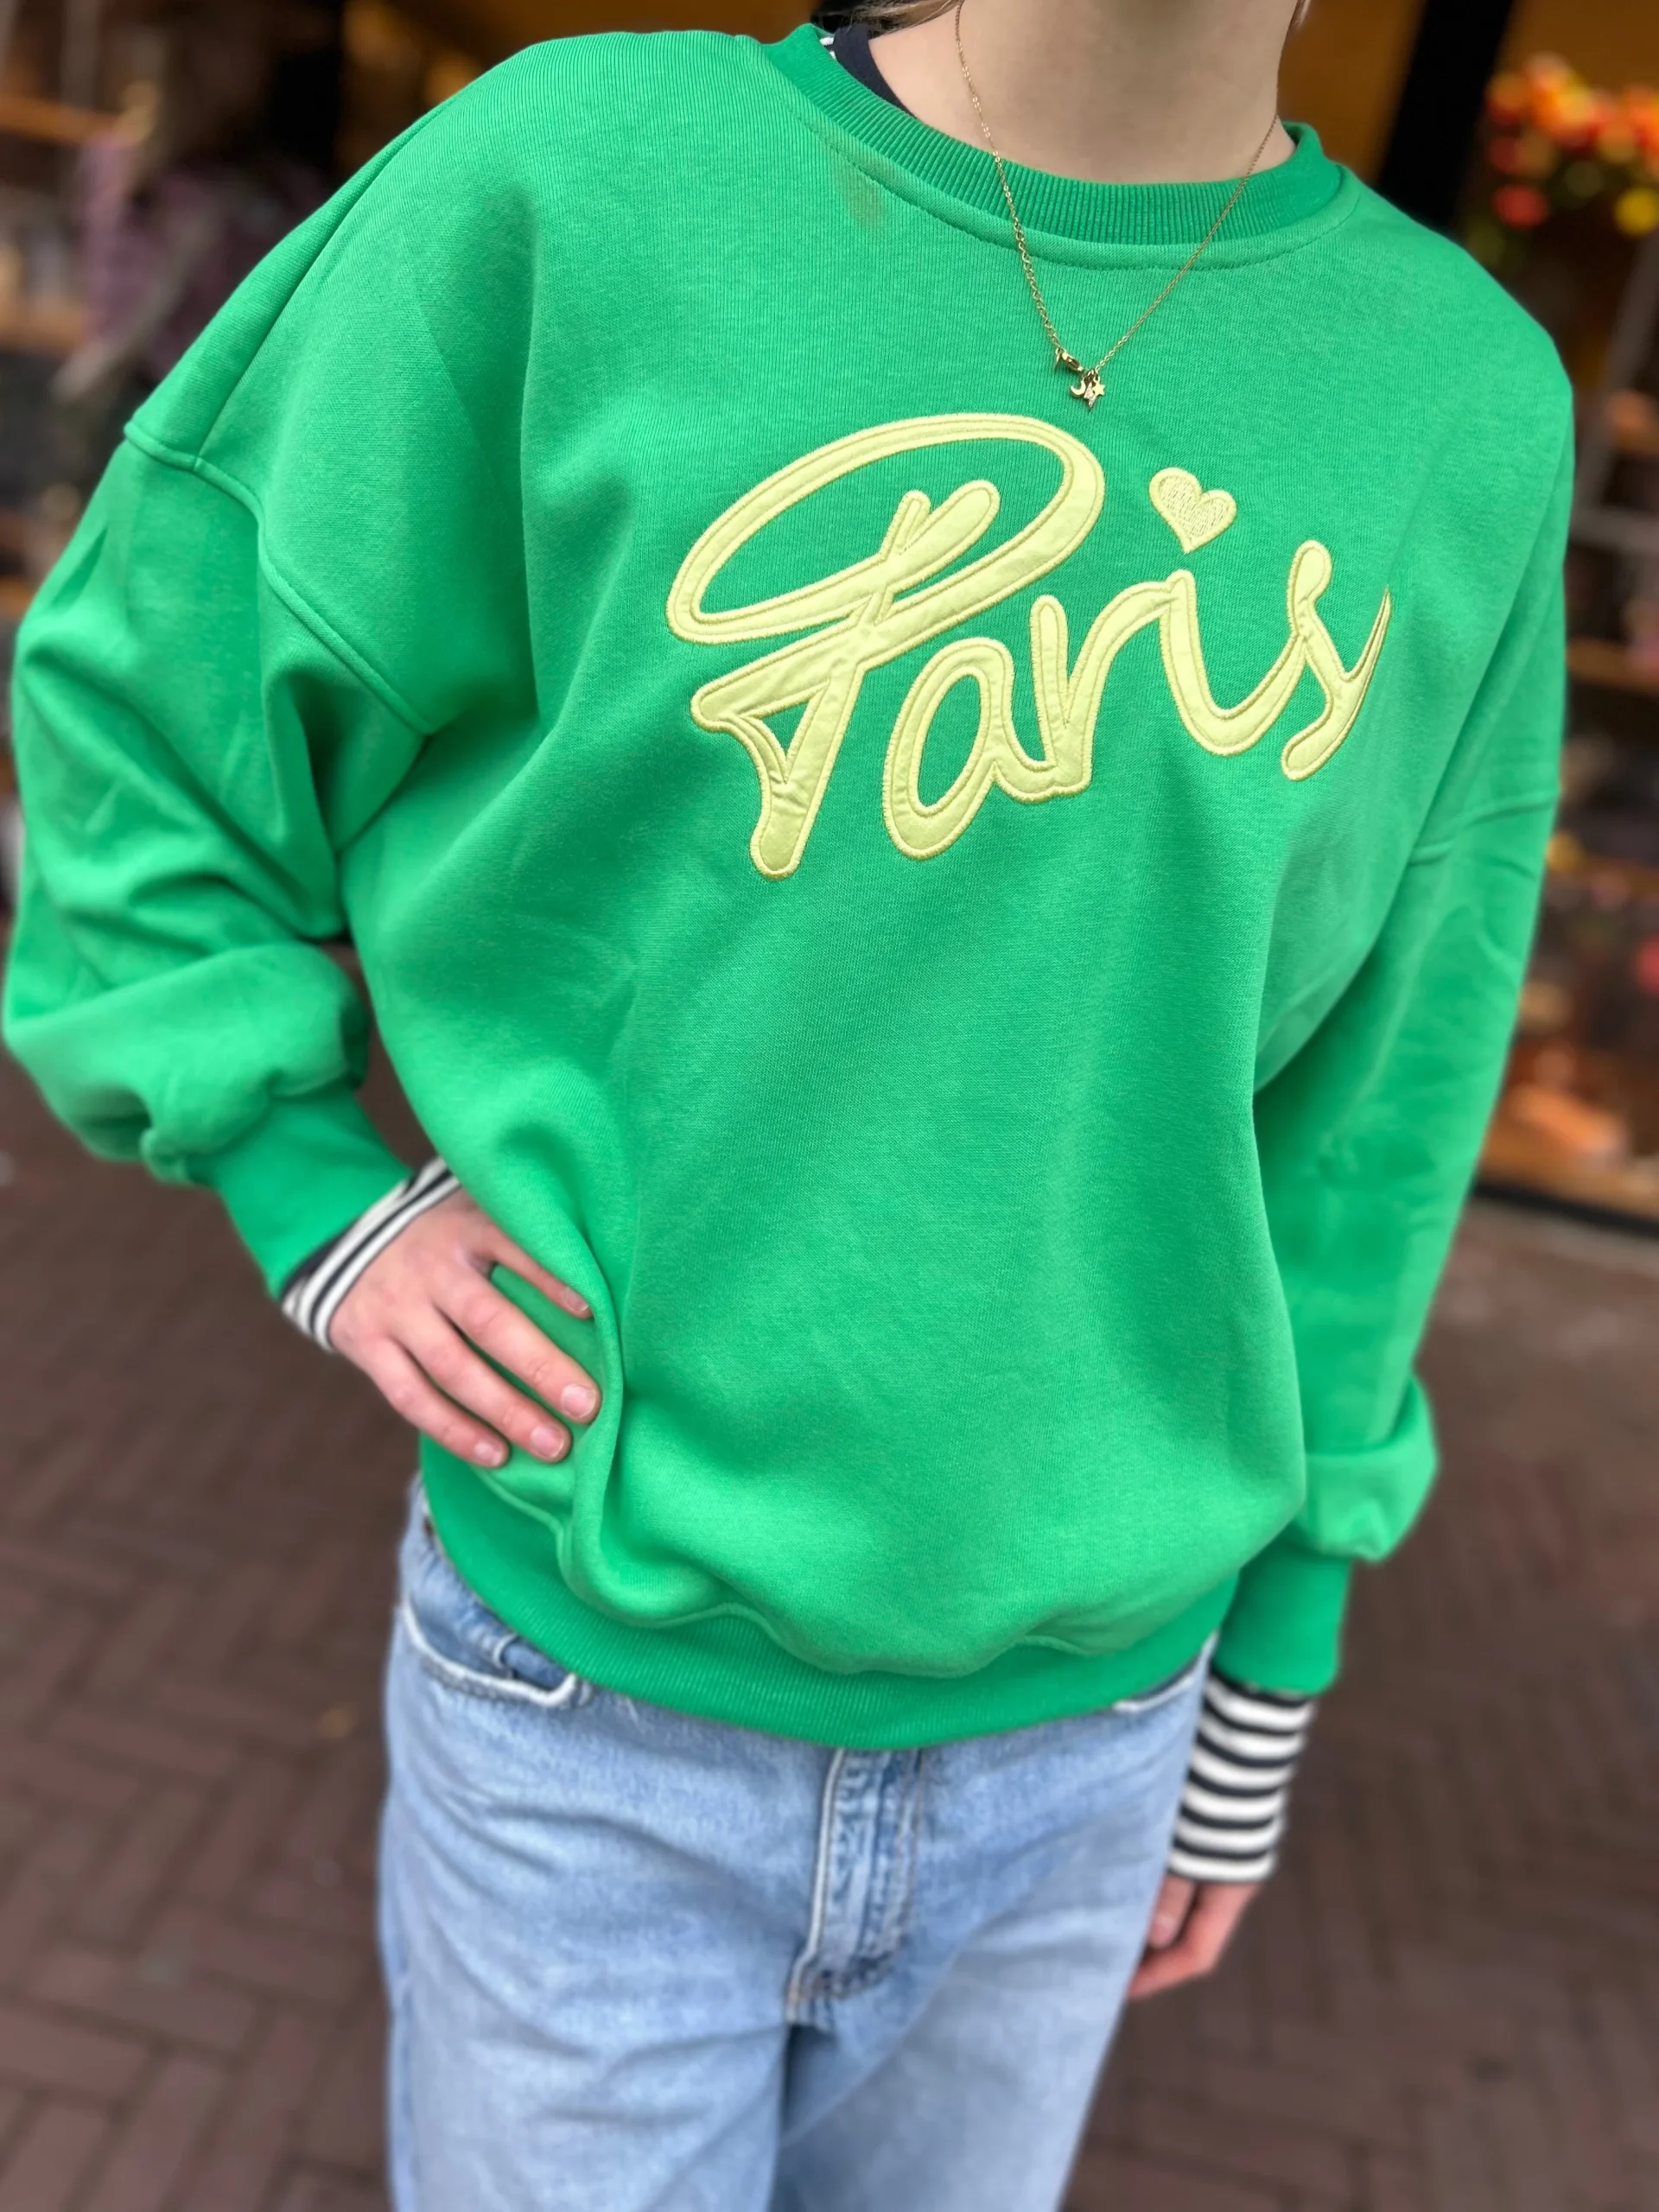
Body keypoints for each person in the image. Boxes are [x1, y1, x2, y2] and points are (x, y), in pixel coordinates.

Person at [3, 0, 1570, 2204]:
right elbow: (161, 679)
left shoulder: (1461, 402)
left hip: (1093, 1741)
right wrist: (302, 1176)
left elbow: (1387, 1090)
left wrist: (1276, 1657)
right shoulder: (582, 182)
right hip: (587, 1719)